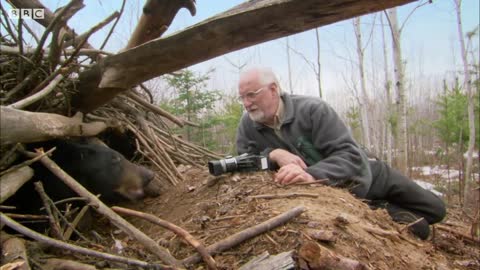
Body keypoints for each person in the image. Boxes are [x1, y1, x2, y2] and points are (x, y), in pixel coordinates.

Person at [235, 67, 446, 240]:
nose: (246, 104)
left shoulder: (312, 110)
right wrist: (273, 154)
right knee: (421, 228)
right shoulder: (248, 125)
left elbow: (350, 155)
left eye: (252, 95)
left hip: (370, 175)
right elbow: (244, 163)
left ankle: (380, 206)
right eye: (242, 97)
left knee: (436, 209)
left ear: (273, 89)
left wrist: (312, 175)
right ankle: (378, 209)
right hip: (344, 196)